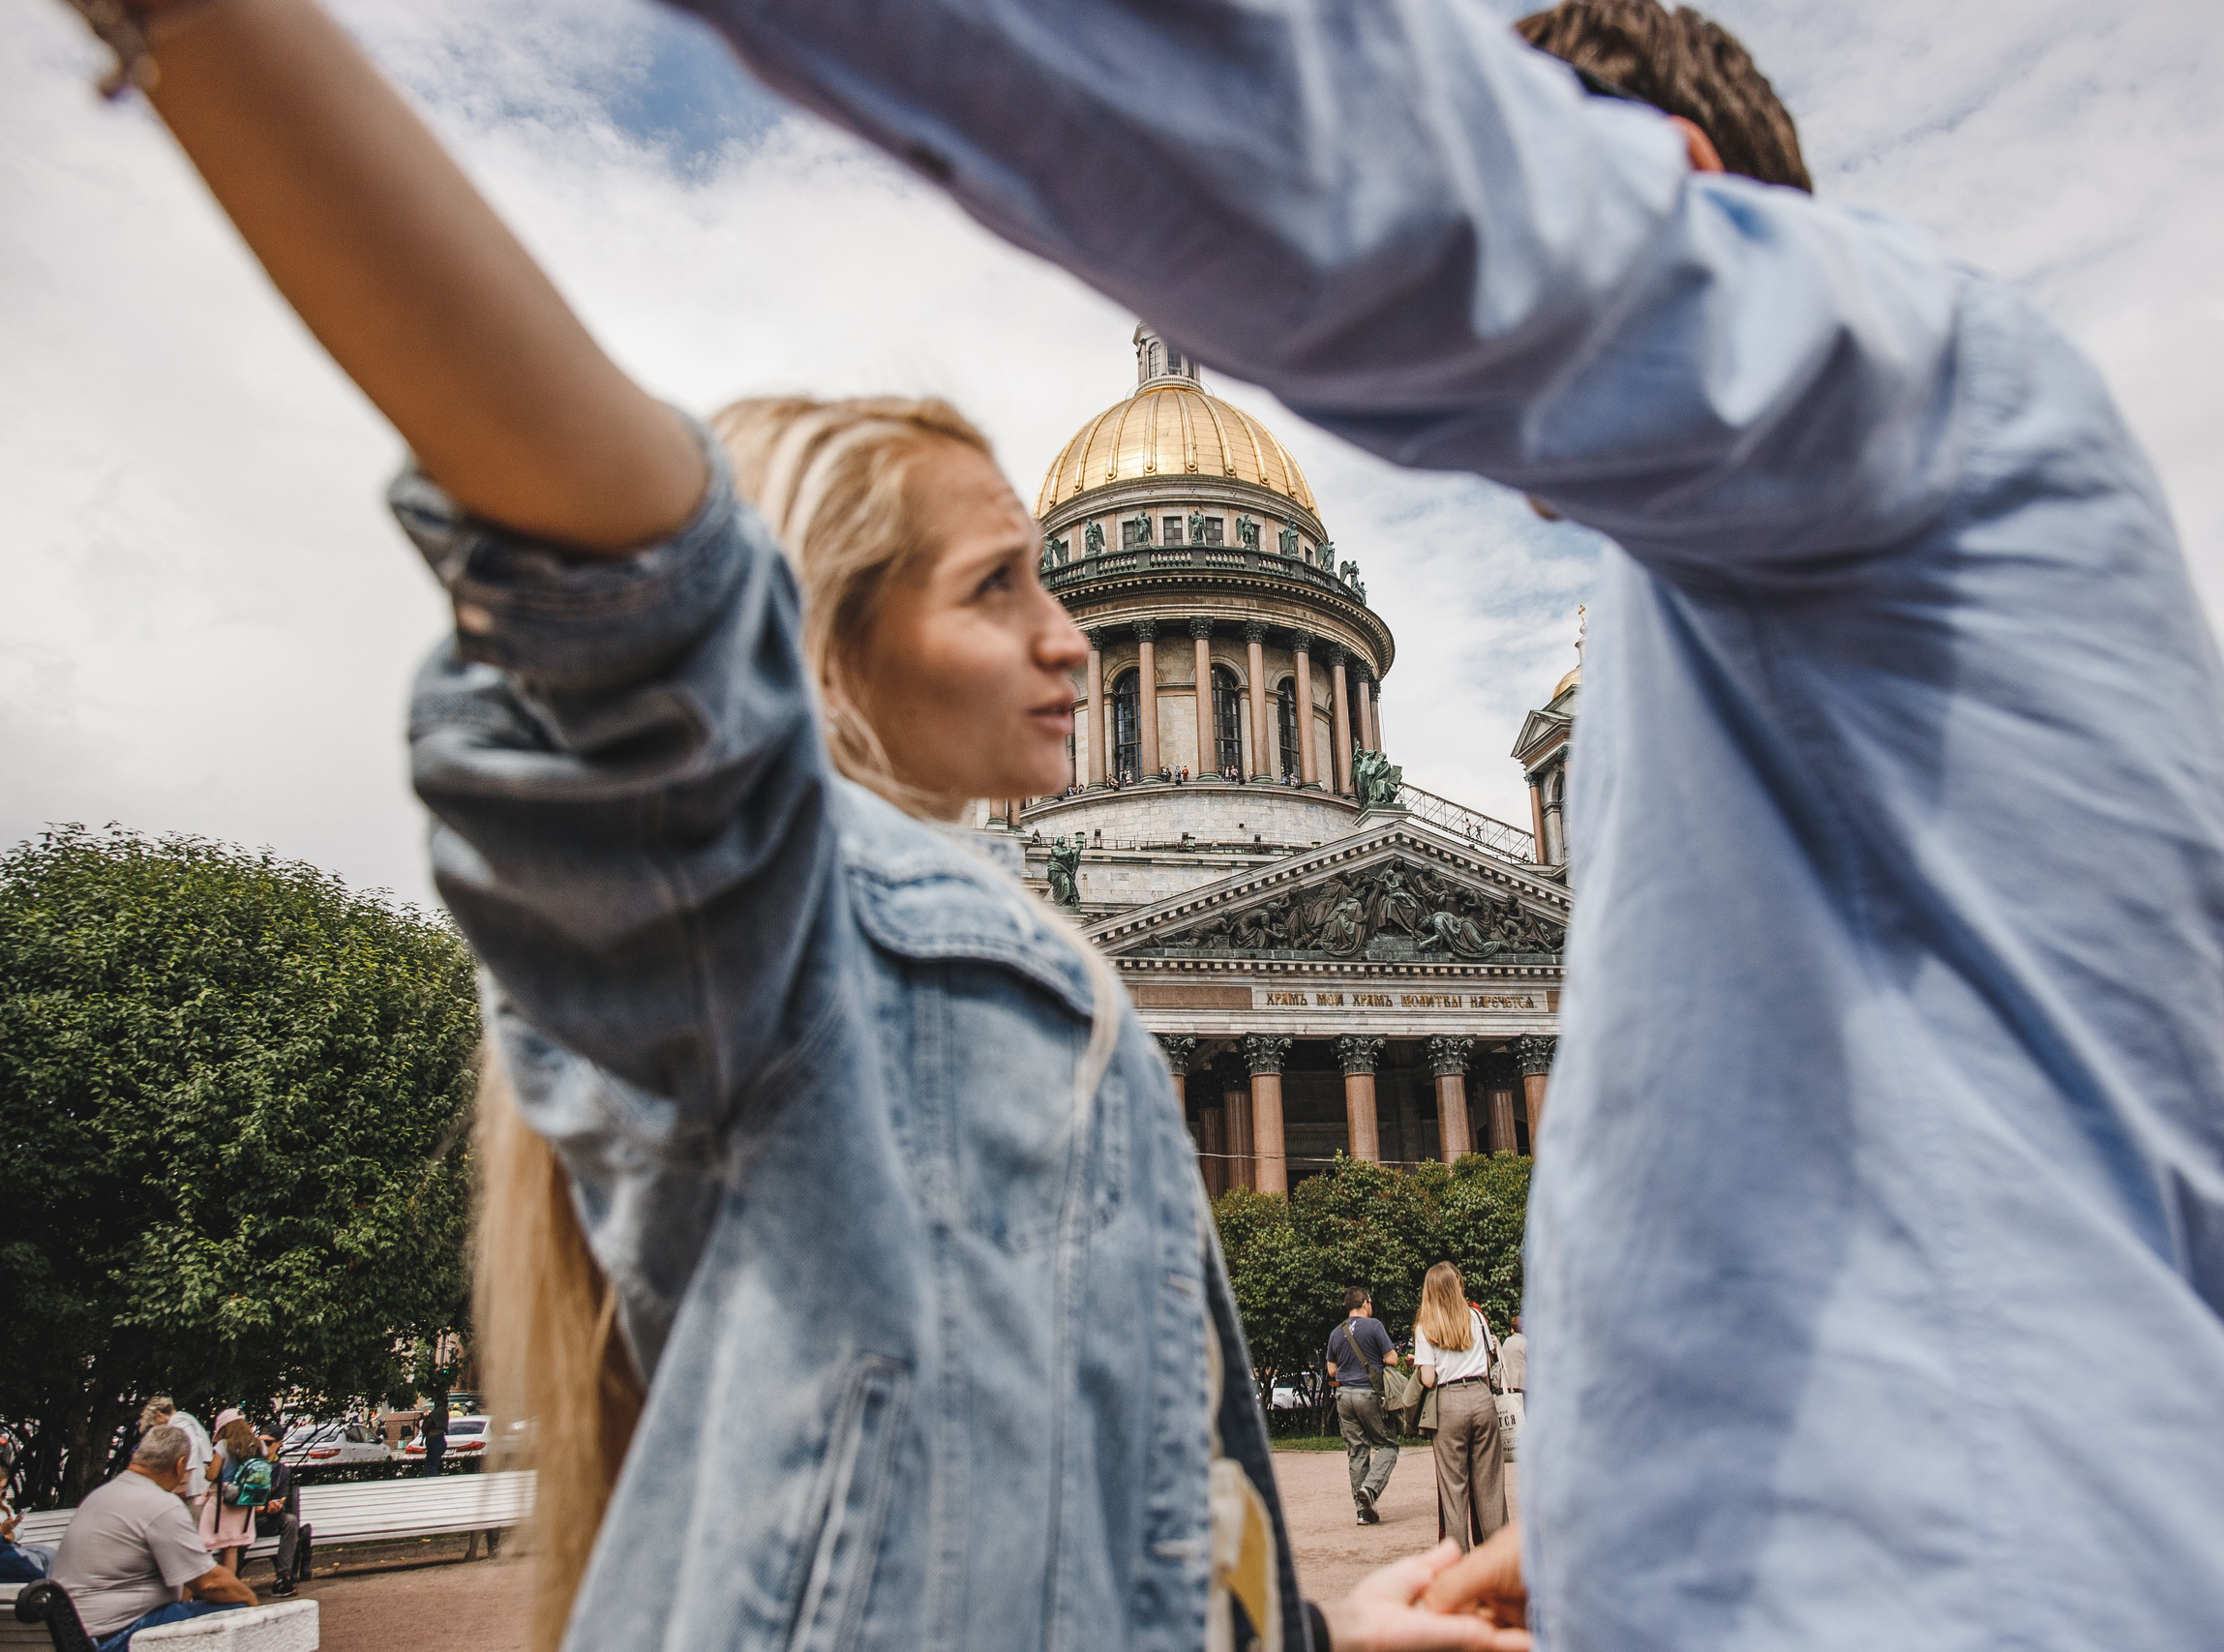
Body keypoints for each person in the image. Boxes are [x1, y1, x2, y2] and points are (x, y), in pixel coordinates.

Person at [647, 0, 2224, 1644]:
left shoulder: (1893, 389)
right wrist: (1634, 1523)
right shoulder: (1809, 616)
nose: (1529, 464)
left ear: (1669, 201)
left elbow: (1318, 153)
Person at [45, 9, 1522, 1652]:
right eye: (1001, 585)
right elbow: (604, 551)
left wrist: (1315, 1634)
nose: (1075, 645)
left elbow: (1109, 1498)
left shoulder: (1038, 986)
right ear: (818, 644)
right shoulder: (769, 933)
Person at [50, 1424, 255, 1652]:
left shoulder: (99, 1496)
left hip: (77, 1632)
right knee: (236, 1612)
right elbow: (209, 1582)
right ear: (179, 1464)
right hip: (118, 1636)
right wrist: (250, 1601)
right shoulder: (160, 1504)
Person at [1413, 1264, 1506, 1556]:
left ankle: (1458, 1561)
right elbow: (1488, 1362)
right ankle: (1498, 1559)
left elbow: (1428, 1378)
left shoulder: (1426, 1326)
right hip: (1481, 1396)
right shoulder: (1476, 1317)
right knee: (1490, 1486)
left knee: (1454, 1490)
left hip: (1449, 1402)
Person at [1325, 1287, 1401, 1525]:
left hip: (1343, 1397)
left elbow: (1331, 1370)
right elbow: (1392, 1358)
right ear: (1366, 1303)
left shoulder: (1336, 1332)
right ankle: (1370, 1488)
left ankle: (1362, 1512)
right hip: (1367, 1394)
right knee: (1388, 1445)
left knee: (1357, 1452)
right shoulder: (1374, 1326)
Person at [252, 1431, 312, 1598]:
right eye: (259, 1442)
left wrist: (275, 1507)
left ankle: (284, 1577)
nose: (262, 1447)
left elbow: (280, 1500)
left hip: (263, 1520)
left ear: (279, 1444)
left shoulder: (281, 1471)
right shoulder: (250, 1465)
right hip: (244, 1521)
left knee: (290, 1521)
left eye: (268, 1443)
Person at [196, 1416, 261, 1569]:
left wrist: (206, 1469)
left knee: (203, 1543)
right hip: (245, 1502)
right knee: (231, 1546)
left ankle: (198, 1582)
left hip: (220, 1503)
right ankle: (229, 1581)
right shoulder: (257, 1445)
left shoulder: (223, 1445)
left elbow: (212, 1475)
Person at [137, 1399, 211, 1522]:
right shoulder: (184, 1419)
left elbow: (190, 1445)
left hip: (193, 1485)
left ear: (160, 1416)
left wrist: (184, 1479)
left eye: (155, 1424)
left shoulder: (178, 1421)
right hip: (196, 1484)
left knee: (192, 1523)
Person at [419, 1397, 449, 1479]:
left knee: (431, 1466)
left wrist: (425, 1423)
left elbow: (428, 1424)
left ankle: (432, 1482)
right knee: (433, 1464)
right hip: (439, 1439)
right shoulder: (444, 1411)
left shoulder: (439, 1411)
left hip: (434, 1439)